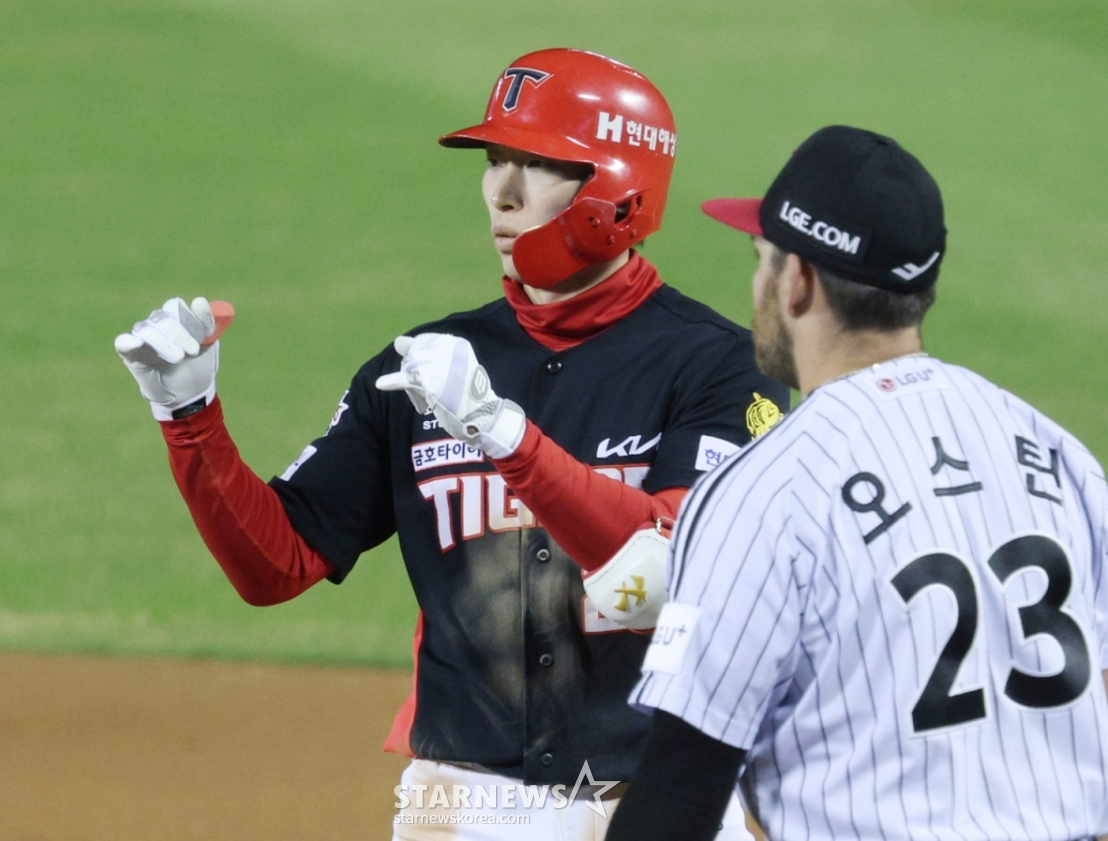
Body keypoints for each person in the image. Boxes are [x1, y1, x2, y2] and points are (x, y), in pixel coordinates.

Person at [115, 48, 787, 840]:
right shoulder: (427, 367)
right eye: (496, 160)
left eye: (535, 165)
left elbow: (668, 562)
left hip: (661, 798)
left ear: (617, 184)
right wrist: (189, 414)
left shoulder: (720, 366)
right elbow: (276, 563)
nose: (499, 193)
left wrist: (505, 438)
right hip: (462, 802)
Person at [606, 125, 1108, 841]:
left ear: (799, 281)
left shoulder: (766, 488)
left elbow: (680, 788)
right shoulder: (1055, 451)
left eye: (762, 261)